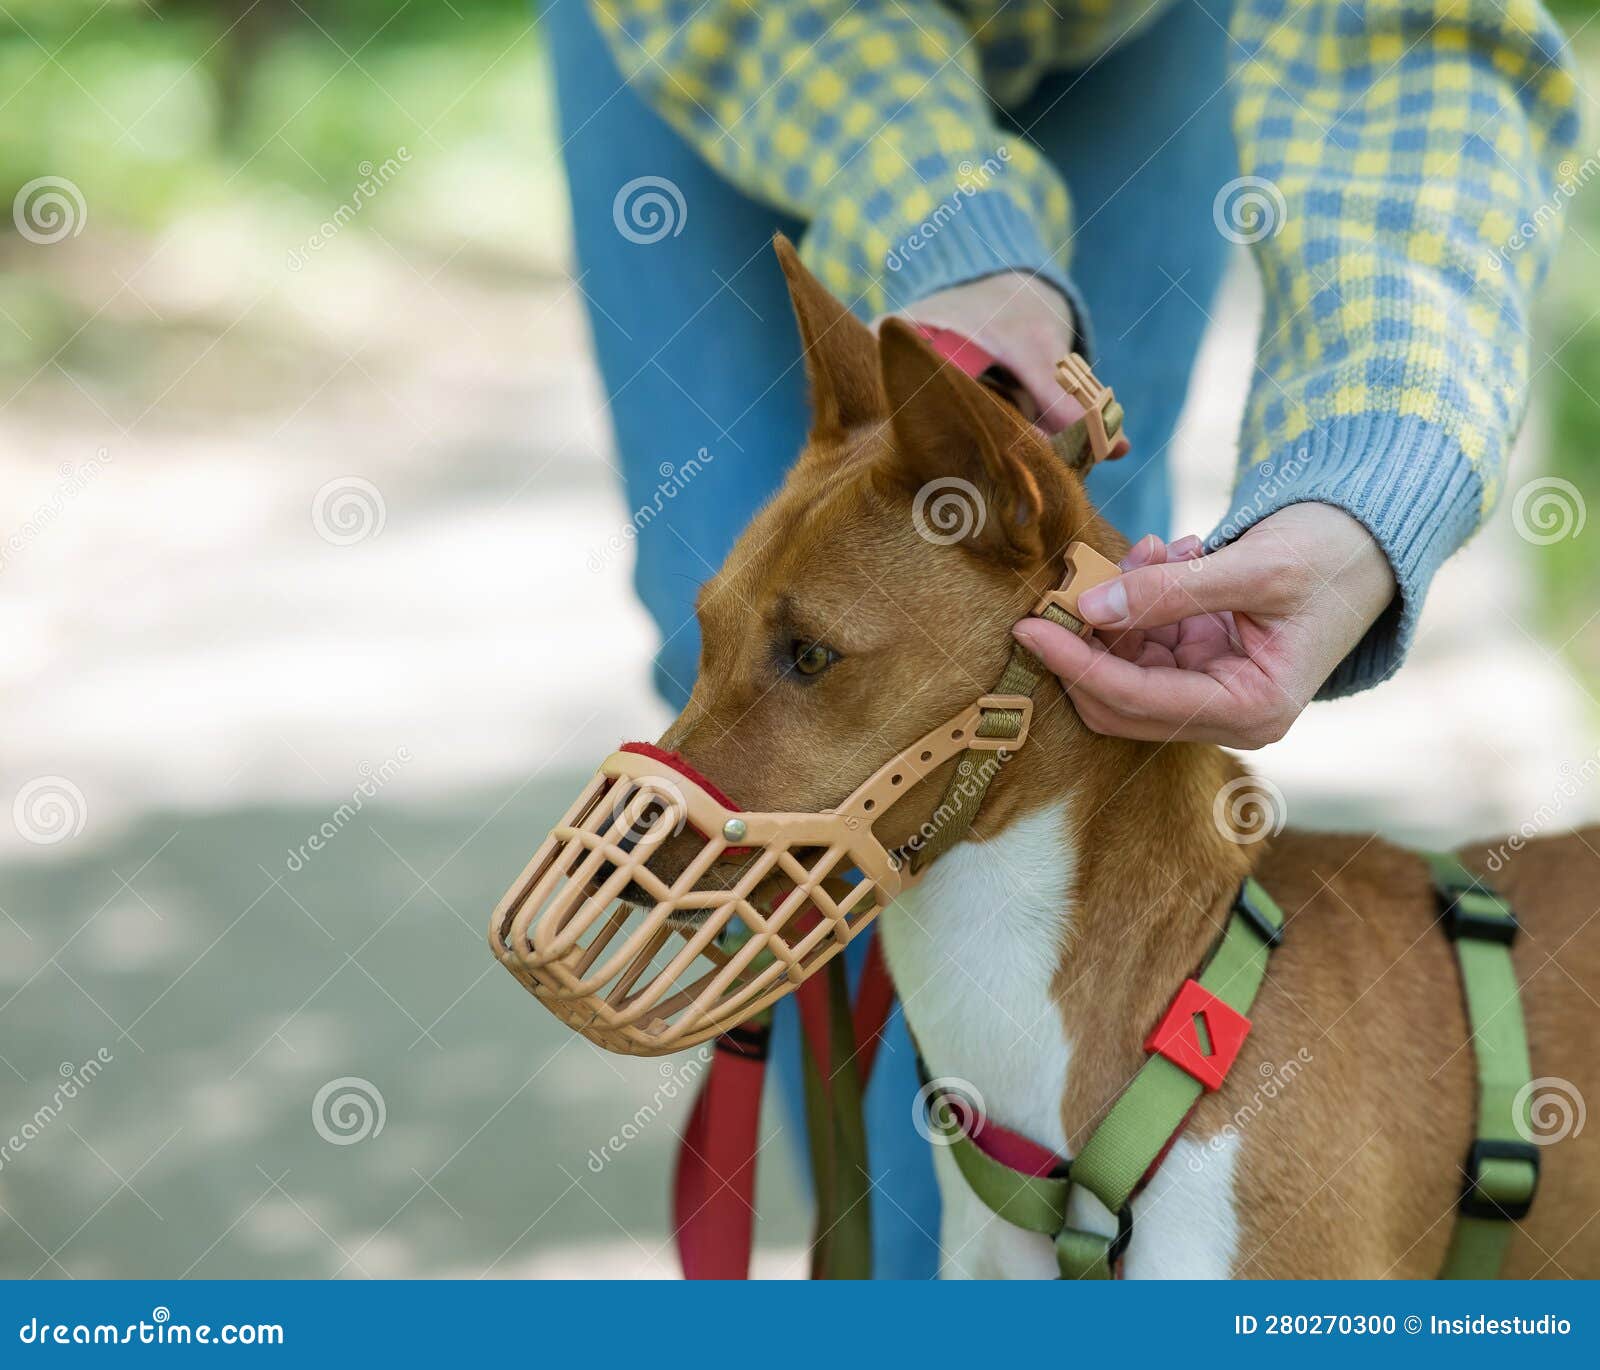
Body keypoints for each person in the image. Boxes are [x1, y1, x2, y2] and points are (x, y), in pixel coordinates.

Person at [543, 0, 1579, 1276]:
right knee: (741, 560)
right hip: (733, 35)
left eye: (809, 663)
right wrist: (948, 235)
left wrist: (1366, 488)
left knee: (1081, 634)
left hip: (1134, 32)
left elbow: (1421, 46)